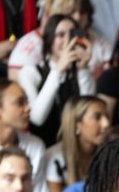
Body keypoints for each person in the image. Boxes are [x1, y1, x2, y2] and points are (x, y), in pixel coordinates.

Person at [15, 13, 94, 146]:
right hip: (45, 148)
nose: (68, 39)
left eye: (72, 33)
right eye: (61, 35)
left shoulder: (80, 72)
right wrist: (58, 70)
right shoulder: (29, 72)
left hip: (77, 147)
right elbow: (37, 119)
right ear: (49, 39)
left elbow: (89, 112)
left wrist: (84, 69)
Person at [44, 94, 110, 192]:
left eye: (107, 116)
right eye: (97, 117)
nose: (106, 123)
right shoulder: (55, 158)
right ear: (76, 125)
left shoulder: (108, 155)